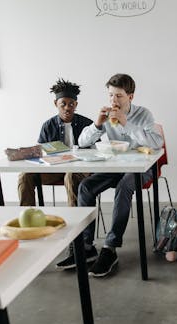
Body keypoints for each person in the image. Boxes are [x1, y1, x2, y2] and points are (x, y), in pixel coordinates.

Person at [55, 73, 163, 276]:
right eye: (111, 95)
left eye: (119, 96)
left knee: (124, 187)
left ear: (130, 97)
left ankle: (110, 248)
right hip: (116, 166)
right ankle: (87, 248)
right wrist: (97, 124)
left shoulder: (144, 115)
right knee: (85, 187)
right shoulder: (107, 114)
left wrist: (126, 124)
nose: (114, 101)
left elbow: (157, 142)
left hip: (143, 169)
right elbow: (84, 142)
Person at [18, 78, 93, 207]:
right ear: (55, 103)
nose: (67, 108)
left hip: (80, 170)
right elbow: (40, 152)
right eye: (63, 104)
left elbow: (97, 152)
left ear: (76, 104)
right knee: (25, 176)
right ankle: (27, 218)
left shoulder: (87, 124)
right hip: (54, 170)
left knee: (71, 176)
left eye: (71, 104)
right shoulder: (48, 125)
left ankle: (76, 219)